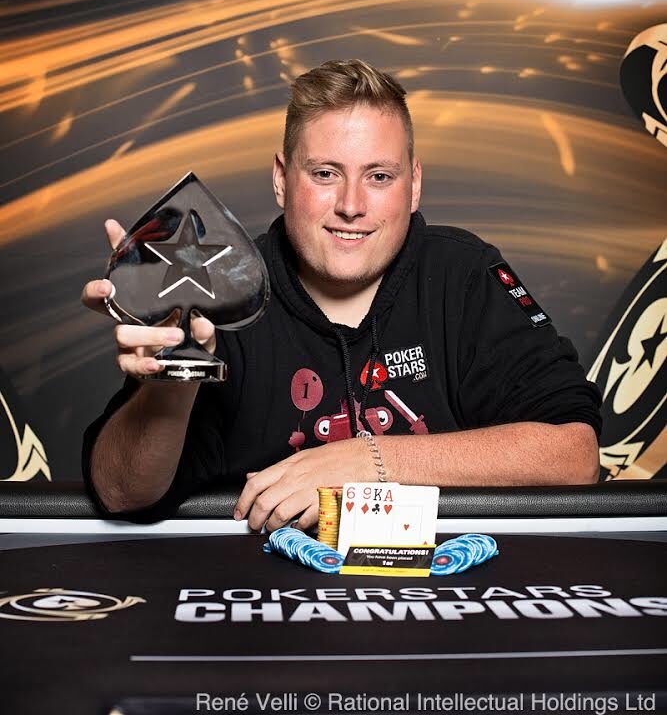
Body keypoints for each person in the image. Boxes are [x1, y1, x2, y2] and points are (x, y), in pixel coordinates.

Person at [81, 59, 601, 528]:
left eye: (380, 176)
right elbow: (122, 493)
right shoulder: (215, 289)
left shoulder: (463, 275)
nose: (351, 206)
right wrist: (172, 383)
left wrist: (368, 462)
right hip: (259, 594)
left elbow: (574, 456)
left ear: (414, 184)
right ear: (282, 179)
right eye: (325, 173)